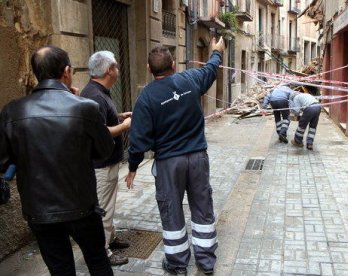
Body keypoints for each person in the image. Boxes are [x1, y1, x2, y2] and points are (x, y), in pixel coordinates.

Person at [0, 45, 114, 275]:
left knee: (60, 269)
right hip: (82, 206)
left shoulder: (12, 111)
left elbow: (3, 161)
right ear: (67, 71)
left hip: (40, 211)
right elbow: (104, 151)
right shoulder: (85, 108)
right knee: (98, 263)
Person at [125, 37, 225, 275]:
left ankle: (178, 265)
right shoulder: (190, 79)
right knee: (202, 205)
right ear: (173, 66)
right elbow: (211, 70)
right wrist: (216, 52)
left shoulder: (146, 98)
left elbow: (139, 141)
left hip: (169, 163)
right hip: (198, 158)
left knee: (171, 209)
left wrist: (132, 167)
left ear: (149, 69)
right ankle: (206, 261)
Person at [81, 51, 131, 266]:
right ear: (109, 70)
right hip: (101, 165)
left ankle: (110, 238)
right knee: (103, 209)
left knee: (109, 205)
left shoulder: (99, 92)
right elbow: (100, 131)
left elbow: (100, 120)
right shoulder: (95, 96)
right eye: (116, 67)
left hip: (107, 162)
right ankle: (103, 253)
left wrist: (118, 116)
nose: (118, 71)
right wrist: (124, 126)